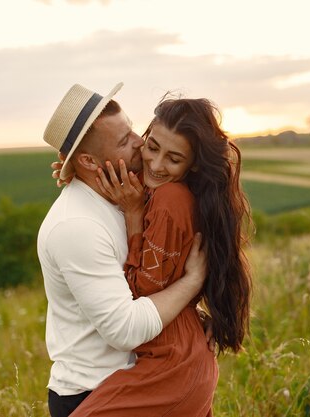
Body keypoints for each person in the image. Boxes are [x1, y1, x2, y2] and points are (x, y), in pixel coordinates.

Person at [62, 95, 253, 416]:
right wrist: (76, 169)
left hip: (172, 367)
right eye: (152, 147)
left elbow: (142, 295)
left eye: (174, 158)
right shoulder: (154, 187)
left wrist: (134, 215)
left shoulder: (168, 200)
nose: (156, 164)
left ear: (192, 163)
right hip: (177, 357)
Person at [37, 83, 209, 417]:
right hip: (94, 391)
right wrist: (191, 283)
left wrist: (193, 313)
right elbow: (125, 330)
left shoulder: (127, 192)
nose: (140, 143)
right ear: (87, 159)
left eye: (132, 129)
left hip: (146, 382)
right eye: (123, 140)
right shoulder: (76, 226)